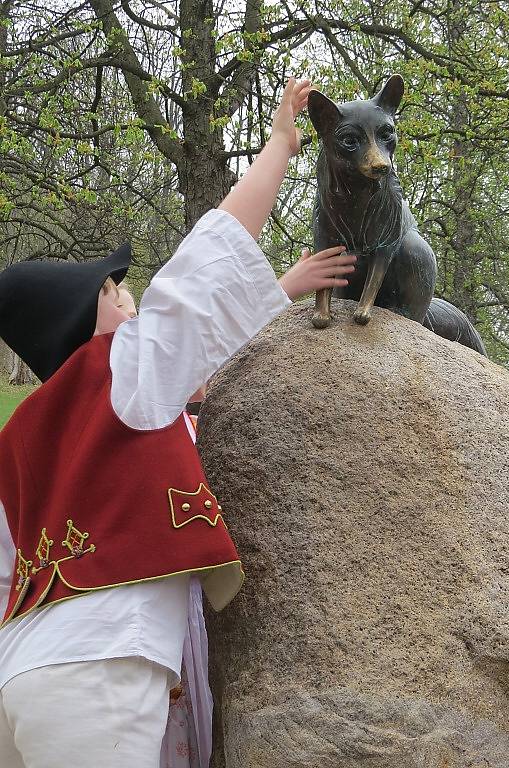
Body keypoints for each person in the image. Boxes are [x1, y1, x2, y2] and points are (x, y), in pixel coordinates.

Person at [0, 79, 355, 768]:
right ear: (87, 327)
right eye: (116, 297)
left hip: (20, 673)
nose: (130, 307)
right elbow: (211, 258)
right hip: (100, 665)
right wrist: (281, 142)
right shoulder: (122, 371)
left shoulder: (18, 437)